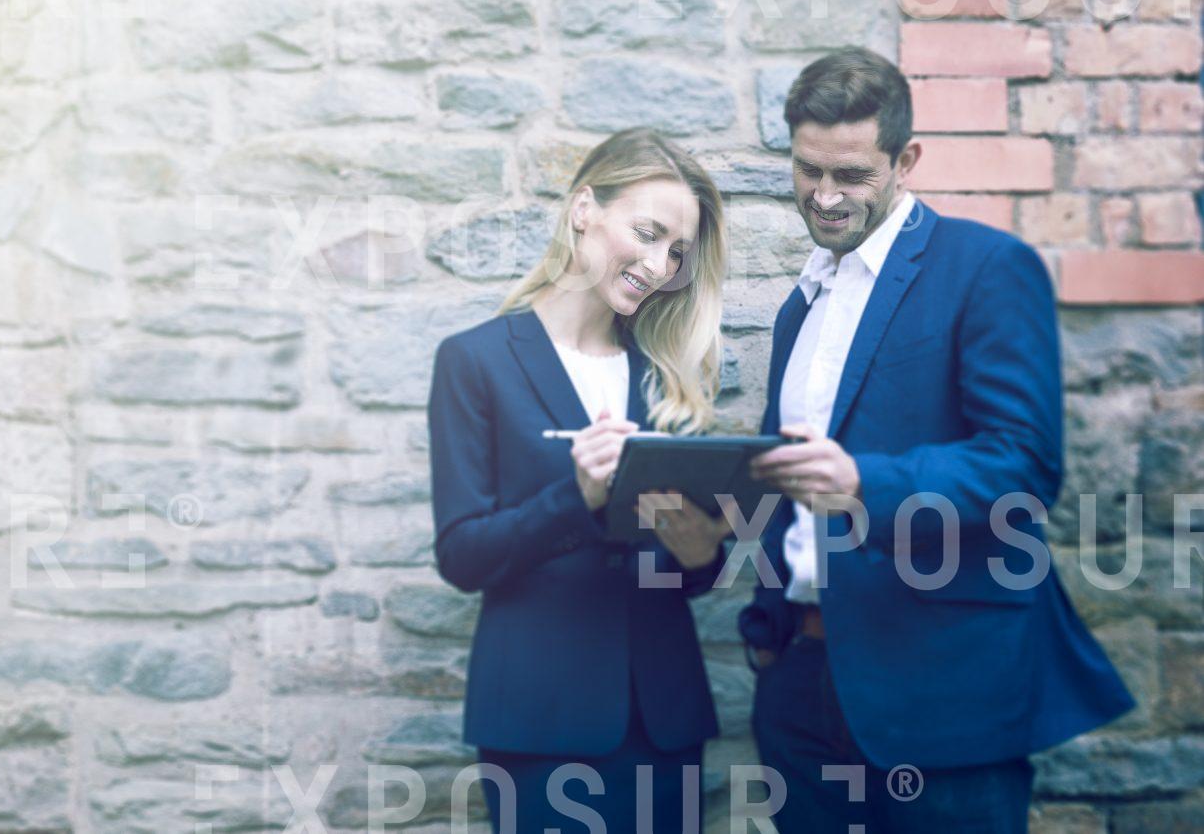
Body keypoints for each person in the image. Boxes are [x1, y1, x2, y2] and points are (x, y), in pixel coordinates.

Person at [738, 46, 1135, 832]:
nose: (824, 195)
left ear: (906, 158)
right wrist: (767, 636)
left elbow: (1024, 465)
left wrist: (863, 485)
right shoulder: (800, 306)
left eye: (851, 175)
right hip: (800, 684)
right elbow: (784, 491)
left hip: (943, 690)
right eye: (807, 169)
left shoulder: (989, 268)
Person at [427, 128, 735, 832]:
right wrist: (578, 493)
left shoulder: (665, 378)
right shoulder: (475, 362)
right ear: (584, 209)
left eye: (676, 252)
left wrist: (701, 553)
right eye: (650, 233)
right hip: (540, 721)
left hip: (662, 721)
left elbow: (693, 574)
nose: (660, 264)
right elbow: (463, 554)